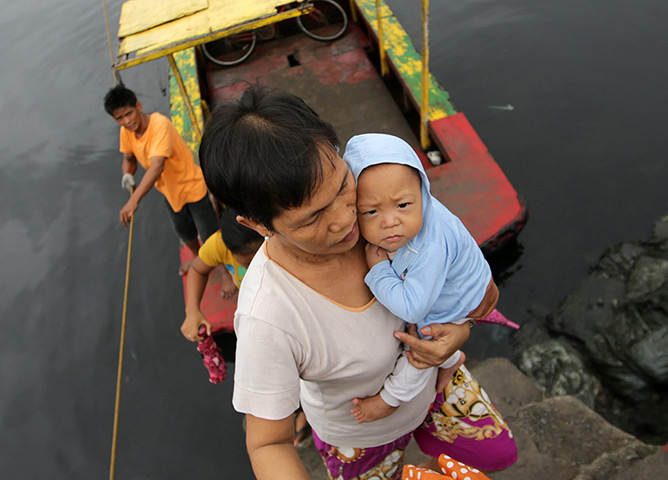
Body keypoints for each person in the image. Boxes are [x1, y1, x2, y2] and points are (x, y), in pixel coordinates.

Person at [199, 85, 517, 479]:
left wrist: (460, 329)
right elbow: (269, 442)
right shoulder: (268, 315)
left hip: (435, 384)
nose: (347, 218)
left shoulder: (380, 199)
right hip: (362, 431)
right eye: (312, 218)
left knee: (495, 455)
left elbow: (472, 280)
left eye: (342, 186)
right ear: (257, 225)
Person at [343, 133, 499, 423]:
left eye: (403, 206)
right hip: (461, 283)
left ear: (422, 190)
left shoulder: (430, 246)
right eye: (371, 211)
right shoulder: (413, 215)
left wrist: (378, 272)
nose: (390, 221)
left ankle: (391, 399)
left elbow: (412, 308)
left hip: (460, 300)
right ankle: (455, 360)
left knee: (418, 347)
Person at [103, 84, 218, 274]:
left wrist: (134, 200)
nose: (126, 121)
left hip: (191, 186)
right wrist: (127, 174)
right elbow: (128, 158)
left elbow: (157, 166)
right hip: (168, 192)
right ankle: (199, 259)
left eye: (129, 114)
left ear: (138, 106)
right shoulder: (126, 131)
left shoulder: (159, 125)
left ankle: (224, 272)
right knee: (184, 231)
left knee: (210, 234)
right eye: (120, 118)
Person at [181, 207, 264, 342]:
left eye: (261, 256)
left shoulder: (282, 238)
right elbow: (197, 270)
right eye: (248, 263)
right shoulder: (219, 244)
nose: (256, 265)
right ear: (229, 250)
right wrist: (192, 310)